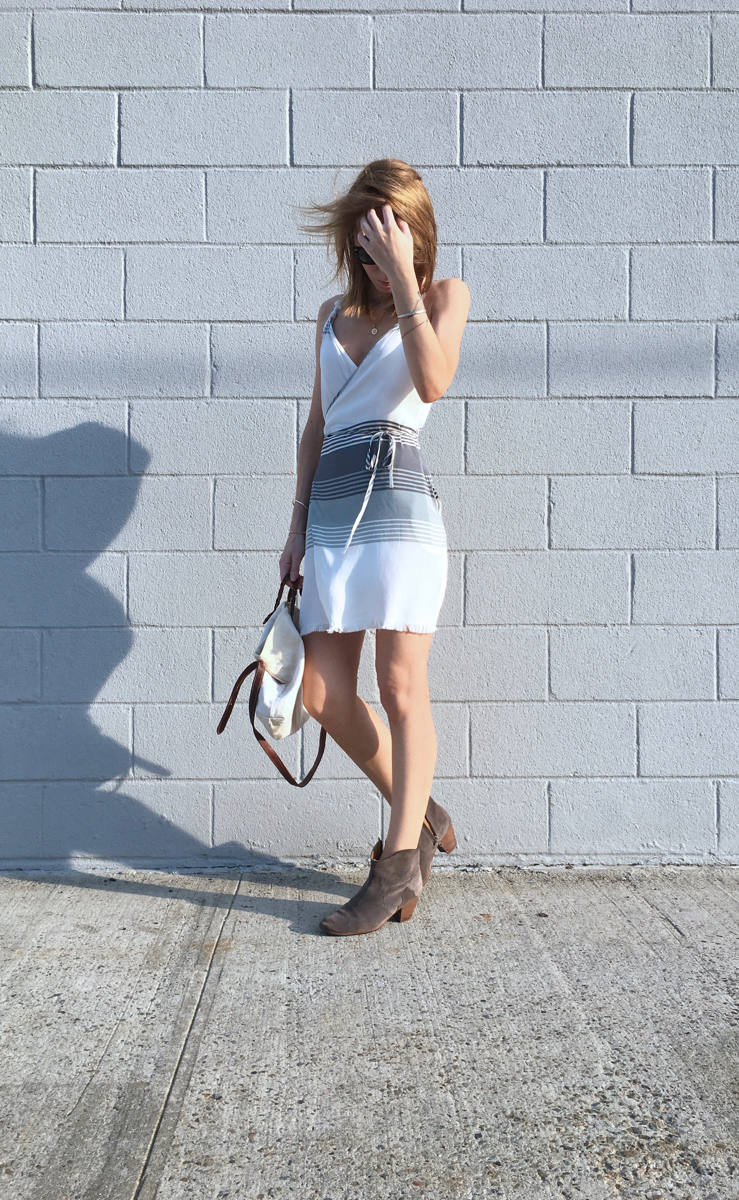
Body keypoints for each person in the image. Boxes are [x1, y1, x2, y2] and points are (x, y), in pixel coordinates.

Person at [279, 158, 470, 937]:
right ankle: (420, 810)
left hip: (399, 513)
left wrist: (404, 279)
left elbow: (432, 382)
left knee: (400, 685)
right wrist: (293, 526)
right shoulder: (330, 313)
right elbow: (318, 428)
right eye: (362, 250)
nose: (372, 264)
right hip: (329, 517)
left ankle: (394, 867)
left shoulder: (444, 298)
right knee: (320, 692)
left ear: (416, 236)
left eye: (387, 245)